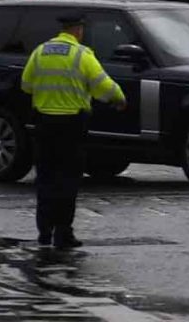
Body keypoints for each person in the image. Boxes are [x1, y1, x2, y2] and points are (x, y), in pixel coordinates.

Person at [21, 13, 127, 250]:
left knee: (45, 178)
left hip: (44, 125)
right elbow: (104, 85)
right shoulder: (82, 55)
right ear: (77, 30)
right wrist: (119, 99)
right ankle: (63, 232)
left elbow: (26, 85)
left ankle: (44, 232)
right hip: (71, 127)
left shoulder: (40, 52)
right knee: (67, 180)